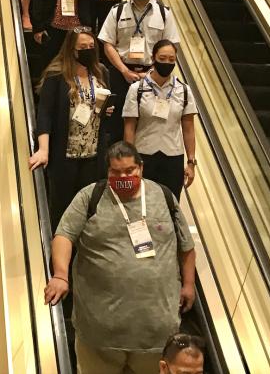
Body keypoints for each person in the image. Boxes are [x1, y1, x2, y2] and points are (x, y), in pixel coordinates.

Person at [44, 141, 196, 374]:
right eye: (116, 172)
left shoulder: (163, 196)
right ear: (107, 171)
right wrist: (60, 275)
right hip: (99, 334)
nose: (123, 177)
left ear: (141, 167)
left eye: (129, 170)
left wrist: (189, 284)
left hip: (156, 334)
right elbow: (64, 235)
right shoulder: (90, 196)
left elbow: (186, 246)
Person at [29, 28, 111, 229]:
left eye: (91, 46)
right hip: (65, 157)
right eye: (83, 47)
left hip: (93, 156)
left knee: (89, 212)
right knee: (62, 212)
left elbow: (101, 107)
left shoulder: (101, 72)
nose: (88, 51)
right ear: (71, 49)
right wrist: (43, 149)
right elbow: (45, 114)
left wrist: (106, 110)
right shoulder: (57, 76)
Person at [98, 0, 180, 143]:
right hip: (120, 75)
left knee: (148, 125)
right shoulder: (117, 11)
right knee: (117, 125)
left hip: (153, 76)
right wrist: (124, 71)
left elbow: (172, 46)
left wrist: (152, 72)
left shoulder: (164, 13)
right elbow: (108, 44)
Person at [123, 40, 197, 201]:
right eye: (162, 58)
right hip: (143, 156)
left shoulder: (184, 90)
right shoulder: (137, 89)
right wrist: (129, 160)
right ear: (153, 58)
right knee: (140, 204)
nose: (167, 63)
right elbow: (129, 127)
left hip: (173, 157)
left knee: (170, 206)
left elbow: (189, 128)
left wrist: (191, 162)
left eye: (171, 59)